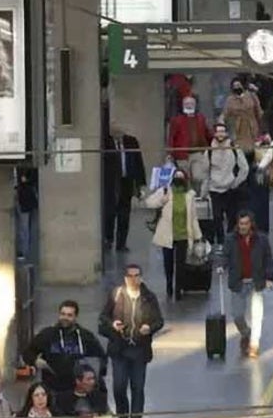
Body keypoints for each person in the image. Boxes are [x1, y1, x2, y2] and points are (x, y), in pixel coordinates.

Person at [98, 264, 164, 418]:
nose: (134, 279)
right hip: (120, 349)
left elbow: (159, 321)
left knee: (138, 387)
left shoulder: (149, 297)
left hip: (140, 350)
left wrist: (149, 328)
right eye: (131, 276)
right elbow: (104, 316)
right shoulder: (117, 294)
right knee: (119, 386)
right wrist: (114, 324)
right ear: (125, 278)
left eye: (137, 276)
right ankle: (122, 413)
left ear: (141, 277)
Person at [23, 301, 107, 396]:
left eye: (69, 315)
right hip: (53, 388)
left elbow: (101, 357)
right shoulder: (47, 334)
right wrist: (35, 361)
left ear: (75, 317)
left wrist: (93, 378)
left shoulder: (86, 336)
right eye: (63, 314)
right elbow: (27, 352)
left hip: (79, 389)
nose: (65, 318)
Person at [222, 211, 273, 358]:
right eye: (241, 224)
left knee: (257, 315)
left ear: (251, 224)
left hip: (256, 283)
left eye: (246, 223)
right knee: (238, 315)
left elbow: (268, 259)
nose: (243, 227)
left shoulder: (262, 240)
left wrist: (269, 278)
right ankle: (246, 333)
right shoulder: (230, 240)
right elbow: (225, 256)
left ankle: (254, 344)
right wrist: (221, 265)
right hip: (238, 283)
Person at [144, 168, 202, 300]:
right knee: (168, 263)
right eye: (176, 176)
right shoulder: (165, 191)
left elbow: (193, 217)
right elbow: (149, 203)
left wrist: (198, 235)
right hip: (168, 234)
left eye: (181, 177)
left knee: (181, 264)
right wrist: (162, 200)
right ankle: (169, 285)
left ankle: (178, 289)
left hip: (183, 234)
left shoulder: (190, 196)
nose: (178, 179)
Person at [103, 122, 145, 253]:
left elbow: (138, 162)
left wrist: (140, 184)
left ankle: (121, 243)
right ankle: (108, 240)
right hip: (111, 183)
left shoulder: (131, 142)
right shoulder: (106, 143)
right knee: (110, 213)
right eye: (116, 135)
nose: (119, 138)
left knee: (124, 215)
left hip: (127, 181)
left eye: (120, 134)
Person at [205, 122, 249, 240]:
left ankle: (229, 241)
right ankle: (220, 241)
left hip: (230, 189)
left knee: (232, 217)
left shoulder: (234, 147)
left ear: (226, 133)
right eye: (218, 131)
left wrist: (235, 182)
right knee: (217, 217)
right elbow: (205, 172)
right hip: (214, 189)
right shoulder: (209, 149)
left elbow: (244, 168)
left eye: (222, 131)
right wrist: (204, 191)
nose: (220, 134)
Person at [222, 77, 263, 164]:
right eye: (234, 86)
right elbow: (225, 114)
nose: (237, 87)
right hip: (238, 130)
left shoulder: (252, 96)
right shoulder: (230, 100)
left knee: (254, 157)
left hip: (252, 129)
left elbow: (259, 113)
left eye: (238, 85)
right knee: (241, 157)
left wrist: (262, 130)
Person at [166, 96, 209, 168]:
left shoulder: (201, 118)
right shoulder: (176, 120)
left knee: (198, 177)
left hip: (198, 153)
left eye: (191, 103)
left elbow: (208, 134)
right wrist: (169, 153)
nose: (189, 105)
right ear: (183, 105)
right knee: (184, 176)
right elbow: (171, 137)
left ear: (195, 105)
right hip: (182, 155)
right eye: (187, 103)